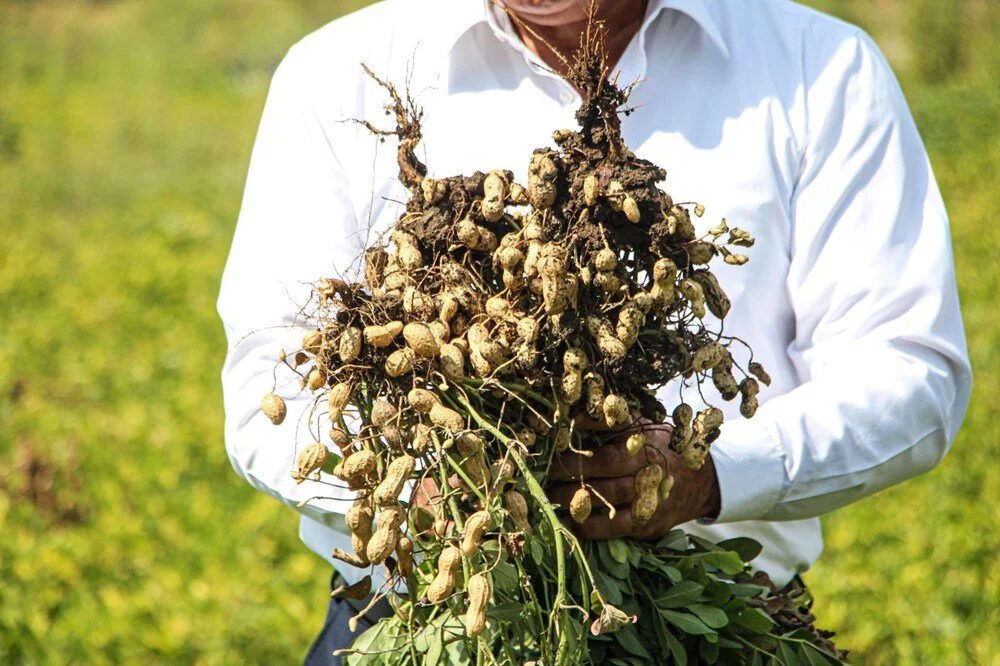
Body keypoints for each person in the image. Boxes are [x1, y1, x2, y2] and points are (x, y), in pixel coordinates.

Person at [217, 0, 972, 663]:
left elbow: (909, 370)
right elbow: (266, 384)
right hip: (418, 625)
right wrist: (425, 491)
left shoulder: (820, 68)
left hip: (711, 620)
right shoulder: (336, 70)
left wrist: (708, 475)